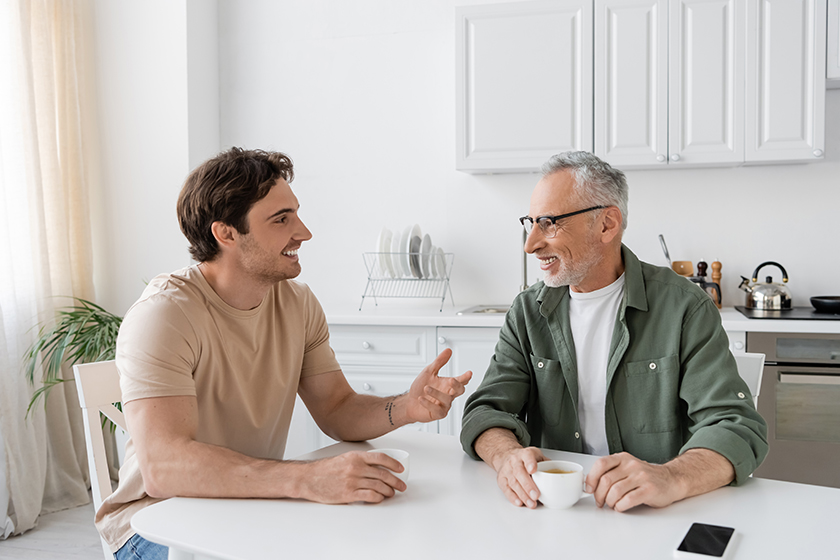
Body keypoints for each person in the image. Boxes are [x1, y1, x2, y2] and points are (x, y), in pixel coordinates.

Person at [97, 148, 473, 559]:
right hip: (156, 524)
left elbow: (336, 407)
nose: (304, 232)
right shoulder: (164, 315)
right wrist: (306, 479)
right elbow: (164, 468)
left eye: (295, 213)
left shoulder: (297, 303)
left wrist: (405, 406)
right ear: (226, 234)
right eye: (281, 219)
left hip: (248, 507)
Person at [460, 151, 767, 513]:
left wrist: (671, 477)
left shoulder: (684, 307)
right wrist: (506, 456)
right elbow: (485, 411)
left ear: (607, 224)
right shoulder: (528, 312)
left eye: (549, 223)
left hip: (652, 516)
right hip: (555, 513)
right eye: (530, 223)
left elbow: (736, 425)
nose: (531, 244)